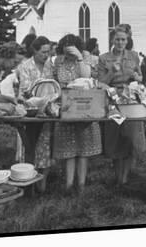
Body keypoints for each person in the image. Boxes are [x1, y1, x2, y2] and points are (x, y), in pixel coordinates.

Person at [47, 34, 102, 193]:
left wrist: (79, 57)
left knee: (84, 147)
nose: (68, 52)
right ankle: (69, 185)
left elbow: (87, 76)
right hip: (66, 105)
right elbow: (53, 82)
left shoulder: (86, 58)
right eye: (66, 48)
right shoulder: (58, 61)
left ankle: (82, 184)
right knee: (69, 147)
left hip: (85, 105)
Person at [98, 25, 144, 185]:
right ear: (112, 40)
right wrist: (111, 71)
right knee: (115, 138)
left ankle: (126, 176)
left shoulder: (134, 56)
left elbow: (140, 77)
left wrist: (137, 77)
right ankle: (118, 177)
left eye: (123, 39)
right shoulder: (104, 58)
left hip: (131, 100)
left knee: (130, 138)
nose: (120, 42)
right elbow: (100, 83)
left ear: (127, 40)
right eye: (117, 39)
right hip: (113, 102)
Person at [15, 36, 54, 189]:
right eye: (43, 52)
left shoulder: (49, 66)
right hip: (30, 112)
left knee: (44, 148)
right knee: (29, 147)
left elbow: (53, 88)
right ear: (35, 51)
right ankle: (27, 184)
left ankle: (42, 187)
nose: (46, 55)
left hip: (47, 112)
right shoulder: (25, 66)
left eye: (48, 52)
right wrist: (40, 101)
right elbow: (25, 92)